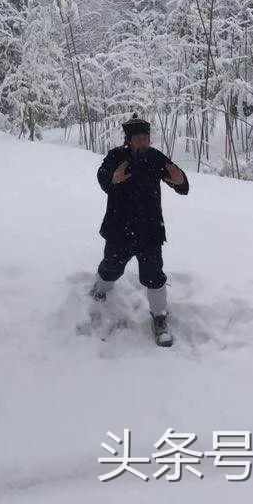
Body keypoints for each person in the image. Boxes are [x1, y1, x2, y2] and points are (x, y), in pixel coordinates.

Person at [90, 115, 189, 345]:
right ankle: (99, 290)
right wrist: (113, 179)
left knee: (154, 277)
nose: (143, 142)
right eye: (138, 138)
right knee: (111, 269)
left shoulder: (155, 158)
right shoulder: (116, 156)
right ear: (129, 139)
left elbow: (180, 183)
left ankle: (160, 319)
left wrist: (179, 180)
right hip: (119, 229)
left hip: (150, 231)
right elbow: (103, 178)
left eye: (146, 138)